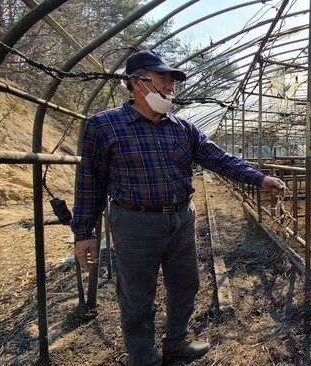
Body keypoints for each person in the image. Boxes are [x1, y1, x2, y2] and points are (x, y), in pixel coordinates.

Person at [70, 50, 284, 366]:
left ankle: (175, 342)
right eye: (163, 78)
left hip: (182, 217)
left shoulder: (182, 128)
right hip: (134, 221)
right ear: (137, 82)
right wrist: (84, 232)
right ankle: (143, 358)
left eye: (172, 80)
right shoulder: (103, 125)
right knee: (137, 296)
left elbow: (219, 159)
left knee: (186, 283)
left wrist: (260, 178)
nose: (170, 86)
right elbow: (89, 181)